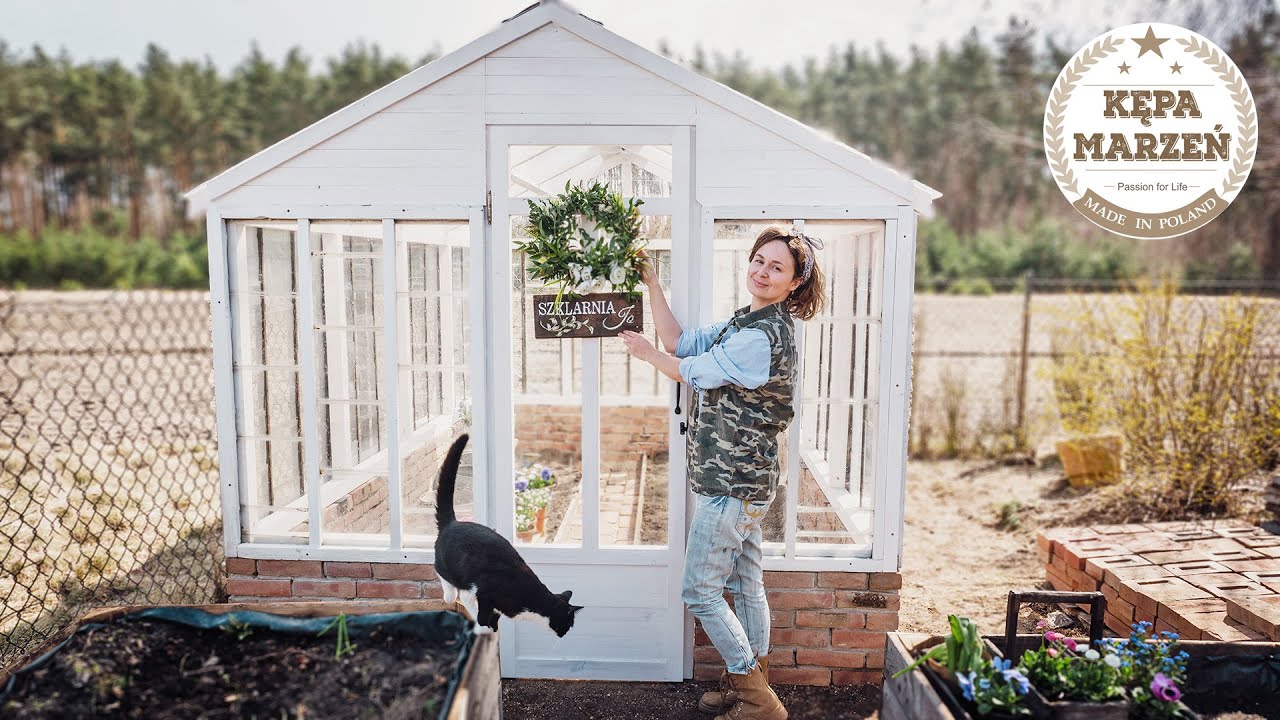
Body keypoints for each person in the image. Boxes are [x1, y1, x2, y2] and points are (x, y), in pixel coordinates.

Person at [620, 227, 825, 720]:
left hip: (734, 483)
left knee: (700, 590)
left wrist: (650, 356)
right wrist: (651, 284)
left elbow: (692, 370)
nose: (763, 271)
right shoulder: (745, 322)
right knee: (747, 583)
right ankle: (748, 683)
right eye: (759, 260)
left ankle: (759, 702)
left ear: (794, 283)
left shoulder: (761, 338)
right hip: (747, 481)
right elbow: (681, 342)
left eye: (778, 268)